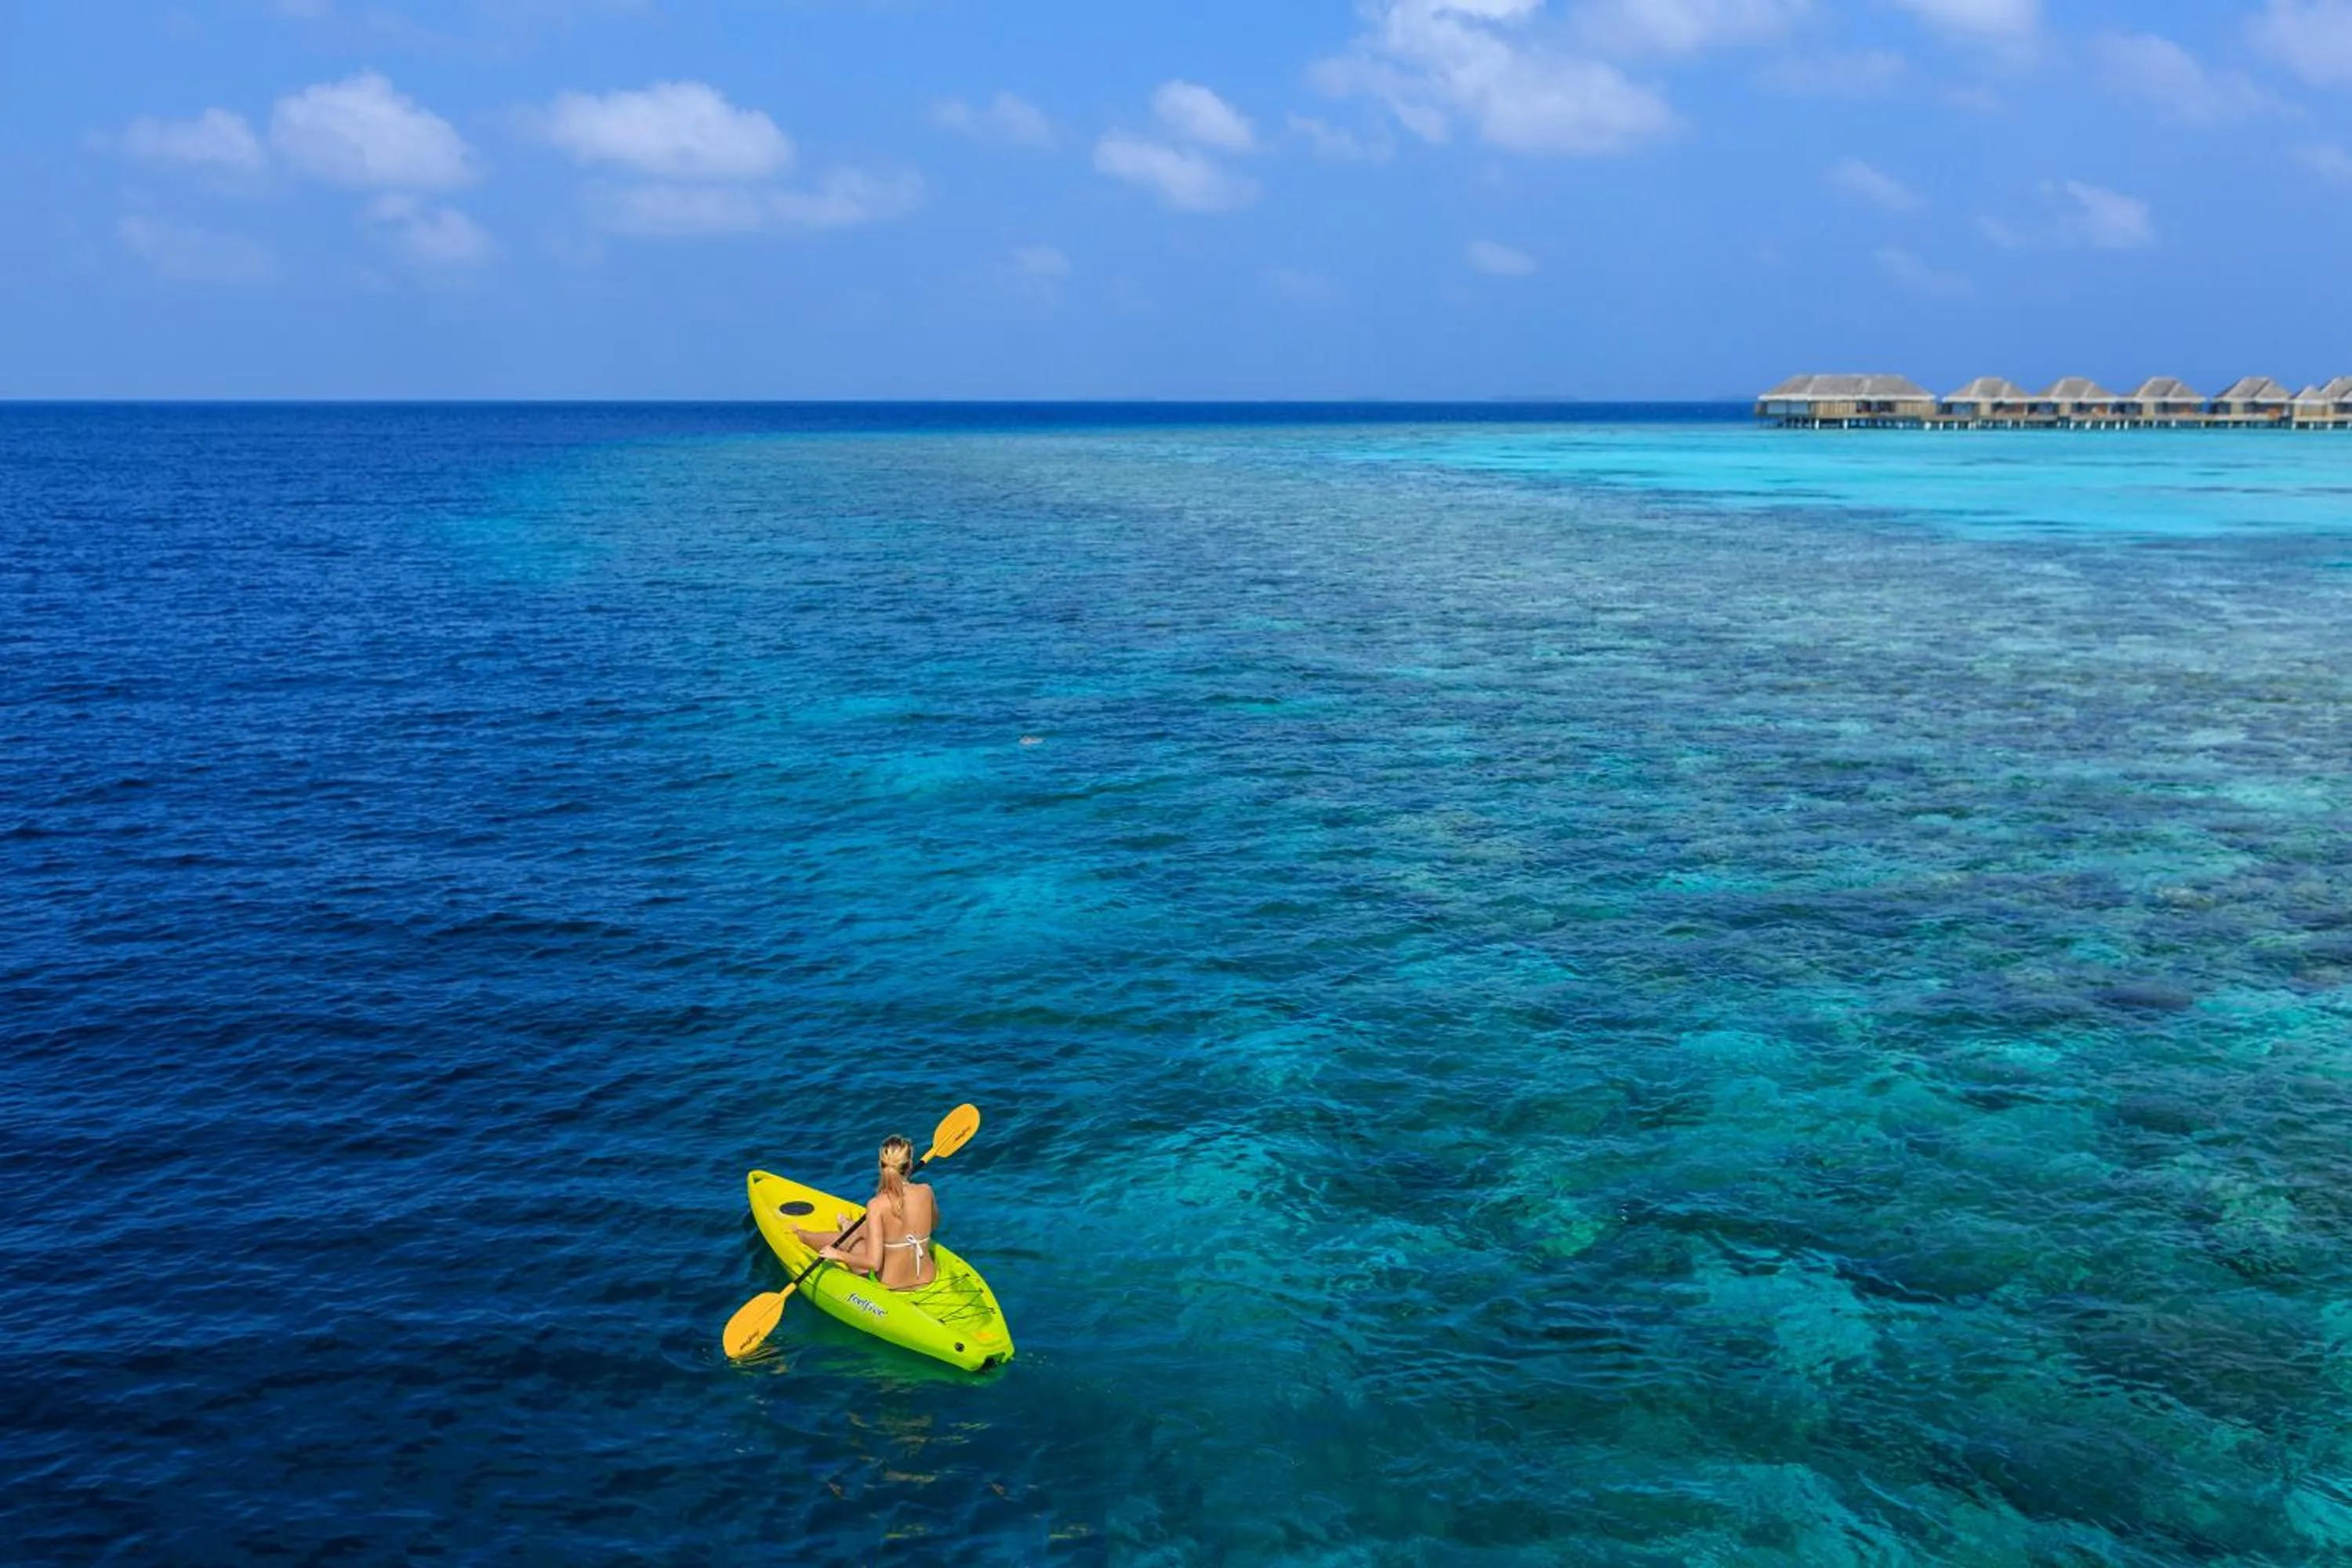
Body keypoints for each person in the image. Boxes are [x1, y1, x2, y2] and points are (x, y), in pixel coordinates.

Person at [792, 1134, 938, 1291]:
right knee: (881, 1232)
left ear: (881, 1165)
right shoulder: (926, 1191)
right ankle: (849, 1225)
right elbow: (933, 1224)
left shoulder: (877, 1205)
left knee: (846, 1241)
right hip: (928, 1278)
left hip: (893, 1286)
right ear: (909, 1164)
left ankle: (801, 1235)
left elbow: (873, 1263)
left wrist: (836, 1254)